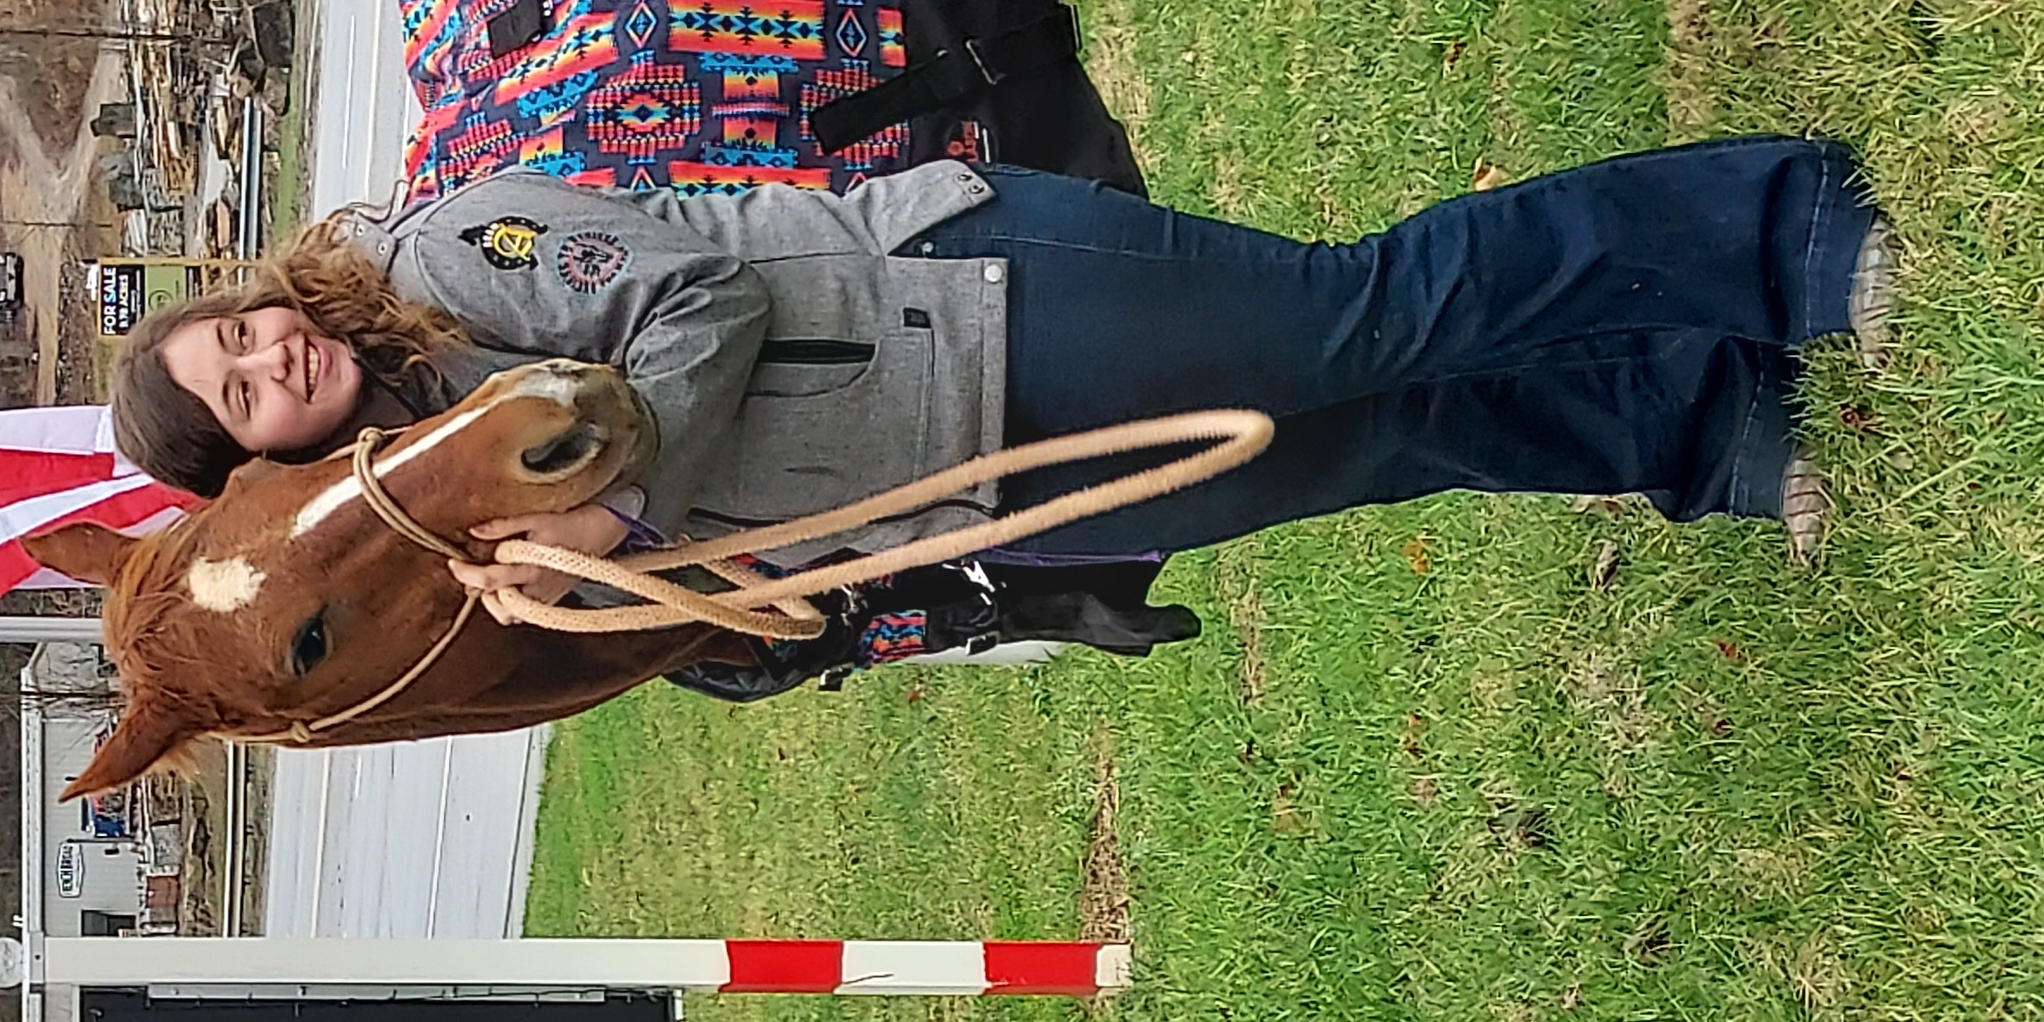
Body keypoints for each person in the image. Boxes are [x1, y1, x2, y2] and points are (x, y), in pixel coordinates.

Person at [102, 146, 1891, 619]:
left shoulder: (449, 260)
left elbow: (706, 298)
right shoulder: (434, 519)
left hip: (979, 304)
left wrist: (623, 495)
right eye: (246, 390)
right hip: (975, 487)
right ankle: (1703, 423)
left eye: (240, 330)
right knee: (1371, 441)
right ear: (261, 456)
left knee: (1368, 318)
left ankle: (1775, 227)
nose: (272, 356)